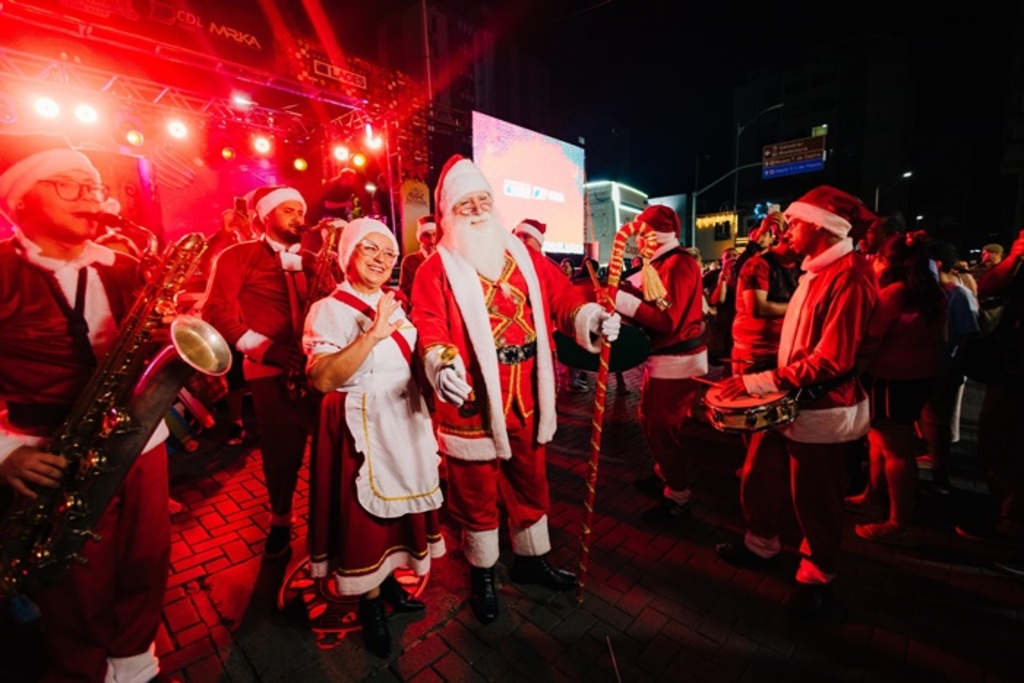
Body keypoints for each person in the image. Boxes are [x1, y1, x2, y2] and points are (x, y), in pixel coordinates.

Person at [409, 155, 620, 624]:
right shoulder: (435, 268)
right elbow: (428, 323)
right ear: (449, 212)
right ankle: (483, 570)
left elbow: (565, 300)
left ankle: (529, 558)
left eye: (484, 199)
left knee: (529, 475)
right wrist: (440, 360)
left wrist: (591, 318)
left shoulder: (525, 256)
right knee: (476, 487)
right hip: (474, 396)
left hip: (527, 387)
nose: (479, 208)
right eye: (467, 203)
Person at [0, 132, 170, 681]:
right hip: (52, 452)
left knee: (144, 563)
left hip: (139, 441)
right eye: (68, 185)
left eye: (94, 186)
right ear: (20, 198)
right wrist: (4, 452)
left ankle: (134, 664)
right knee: (74, 585)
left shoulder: (122, 265)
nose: (89, 197)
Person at [715, 185, 878, 616]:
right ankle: (762, 544)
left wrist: (758, 382)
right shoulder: (818, 270)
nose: (788, 228)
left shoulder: (851, 276)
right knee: (758, 475)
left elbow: (832, 360)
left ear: (821, 227)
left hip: (822, 406)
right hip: (787, 397)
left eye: (796, 221)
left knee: (816, 498)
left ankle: (818, 576)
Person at [304, 218, 445, 658]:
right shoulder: (328, 310)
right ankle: (369, 605)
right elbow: (323, 379)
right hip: (357, 426)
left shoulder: (394, 303)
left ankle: (388, 588)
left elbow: (411, 360)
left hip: (401, 418)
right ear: (349, 256)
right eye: (370, 250)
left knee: (397, 514)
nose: (382, 260)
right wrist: (371, 336)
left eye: (389, 253)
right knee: (365, 520)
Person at [200, 184, 320, 559]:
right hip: (271, 371)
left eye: (300, 211)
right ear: (263, 217)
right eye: (288, 210)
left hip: (319, 368)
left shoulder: (317, 260)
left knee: (336, 448)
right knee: (282, 453)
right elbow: (215, 311)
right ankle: (281, 521)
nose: (298, 218)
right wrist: (269, 350)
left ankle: (329, 520)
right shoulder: (238, 256)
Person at [846, 230, 945, 544]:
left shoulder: (895, 293)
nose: (874, 262)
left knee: (896, 450)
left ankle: (898, 521)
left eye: (879, 257)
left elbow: (870, 337)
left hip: (891, 378)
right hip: (919, 374)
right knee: (878, 440)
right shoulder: (936, 293)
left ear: (891, 261)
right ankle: (872, 494)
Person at [715, 211, 800, 568]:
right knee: (761, 443)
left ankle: (765, 538)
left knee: (768, 452)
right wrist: (802, 307)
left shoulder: (816, 269)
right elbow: (757, 307)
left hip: (788, 361)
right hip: (755, 357)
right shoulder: (758, 265)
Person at [612, 204, 707, 523]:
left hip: (677, 361)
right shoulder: (663, 263)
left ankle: (678, 496)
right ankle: (664, 473)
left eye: (641, 234)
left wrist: (624, 301)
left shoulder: (677, 264)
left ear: (654, 235)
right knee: (650, 420)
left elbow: (667, 321)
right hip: (667, 360)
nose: (637, 241)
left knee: (662, 429)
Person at [955, 228, 1024, 577]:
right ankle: (1009, 522)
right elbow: (990, 286)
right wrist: (1015, 256)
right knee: (997, 442)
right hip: (1013, 368)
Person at [918, 240, 980, 495]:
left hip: (947, 367)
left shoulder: (958, 294)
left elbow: (968, 335)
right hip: (930, 366)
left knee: (939, 422)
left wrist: (953, 365)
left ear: (937, 263)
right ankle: (934, 465)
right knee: (930, 420)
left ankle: (941, 478)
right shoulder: (933, 293)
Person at [398, 214, 437, 302]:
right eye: (426, 235)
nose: (431, 240)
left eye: (434, 234)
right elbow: (404, 292)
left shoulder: (446, 259)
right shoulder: (410, 260)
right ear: (420, 238)